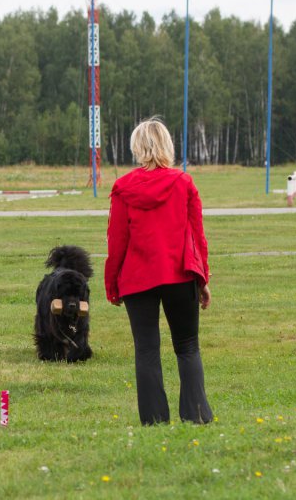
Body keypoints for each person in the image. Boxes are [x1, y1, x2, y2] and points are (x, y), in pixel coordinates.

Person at [105, 118, 213, 426]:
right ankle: (196, 415)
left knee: (147, 351)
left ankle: (154, 421)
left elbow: (116, 241)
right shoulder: (184, 183)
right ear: (167, 145)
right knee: (187, 347)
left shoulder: (122, 188)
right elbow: (198, 235)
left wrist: (112, 283)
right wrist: (203, 278)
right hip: (180, 274)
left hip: (137, 278)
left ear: (137, 147)